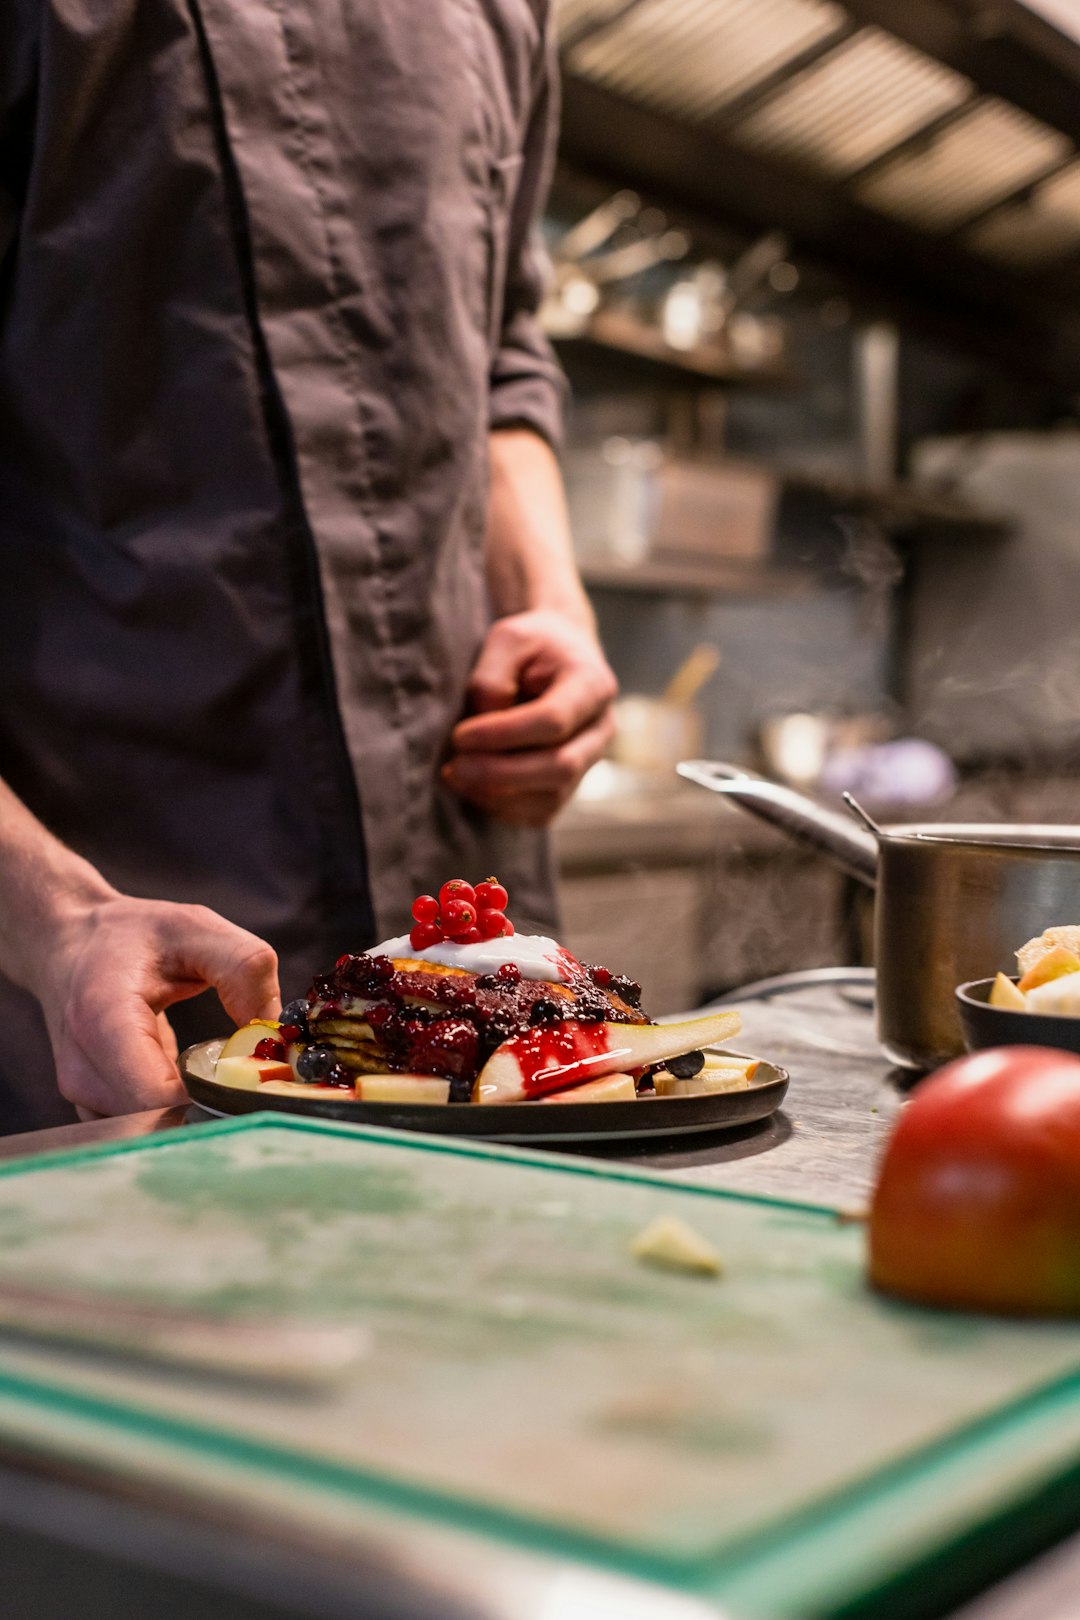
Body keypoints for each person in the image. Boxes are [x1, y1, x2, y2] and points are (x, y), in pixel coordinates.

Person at [0, 0, 616, 1130]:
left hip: (472, 969)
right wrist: (56, 921)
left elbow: (505, 359)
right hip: (87, 984)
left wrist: (552, 606)